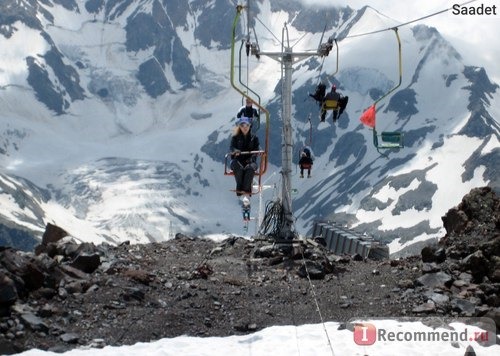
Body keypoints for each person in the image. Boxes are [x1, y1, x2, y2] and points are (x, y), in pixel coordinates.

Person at [229, 116, 260, 198]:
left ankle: (246, 189)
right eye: (242, 126)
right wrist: (235, 151)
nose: (245, 128)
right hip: (237, 160)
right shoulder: (235, 138)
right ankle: (240, 188)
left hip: (250, 161)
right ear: (239, 126)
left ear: (250, 126)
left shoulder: (254, 138)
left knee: (250, 169)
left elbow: (256, 150)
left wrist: (251, 158)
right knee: (238, 167)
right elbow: (232, 147)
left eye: (247, 125)